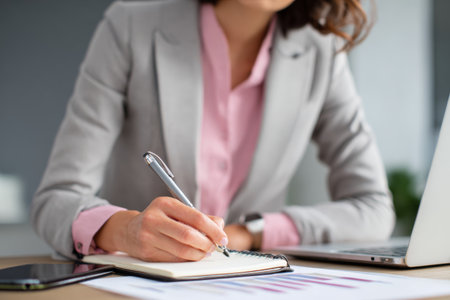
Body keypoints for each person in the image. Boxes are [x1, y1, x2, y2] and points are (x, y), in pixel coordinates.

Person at [32, 0, 395, 262]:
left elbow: (373, 209)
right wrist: (127, 230)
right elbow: (57, 199)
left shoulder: (323, 52)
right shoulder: (130, 25)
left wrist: (252, 233)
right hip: (140, 284)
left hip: (248, 285)